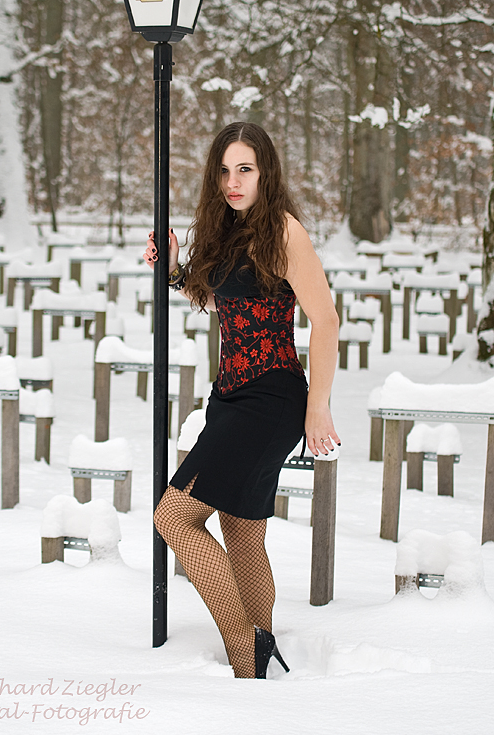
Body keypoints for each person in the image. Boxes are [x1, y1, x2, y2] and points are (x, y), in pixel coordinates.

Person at [143, 121, 340, 679]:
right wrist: (176, 268)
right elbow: (215, 296)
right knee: (242, 528)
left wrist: (318, 406)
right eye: (224, 171)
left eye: (245, 170)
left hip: (272, 396)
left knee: (174, 515)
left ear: (265, 172)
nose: (233, 181)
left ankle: (242, 646)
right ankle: (261, 655)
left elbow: (324, 320)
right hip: (231, 395)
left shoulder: (283, 231)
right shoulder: (224, 229)